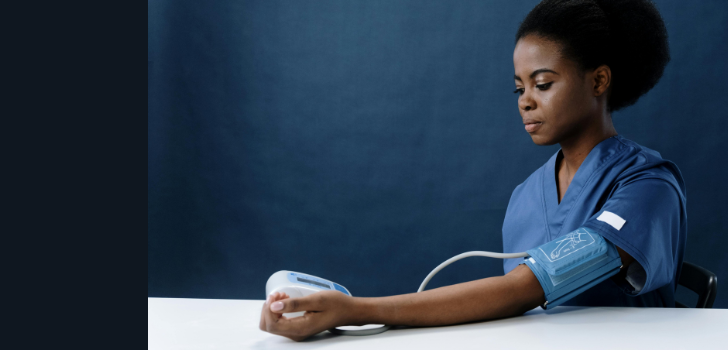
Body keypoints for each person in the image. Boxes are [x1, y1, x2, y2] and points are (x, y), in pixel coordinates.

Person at [260, 0, 685, 341]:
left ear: (598, 81)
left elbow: (524, 289)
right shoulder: (527, 196)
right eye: (519, 88)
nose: (525, 101)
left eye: (542, 84)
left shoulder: (648, 187)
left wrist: (356, 310)